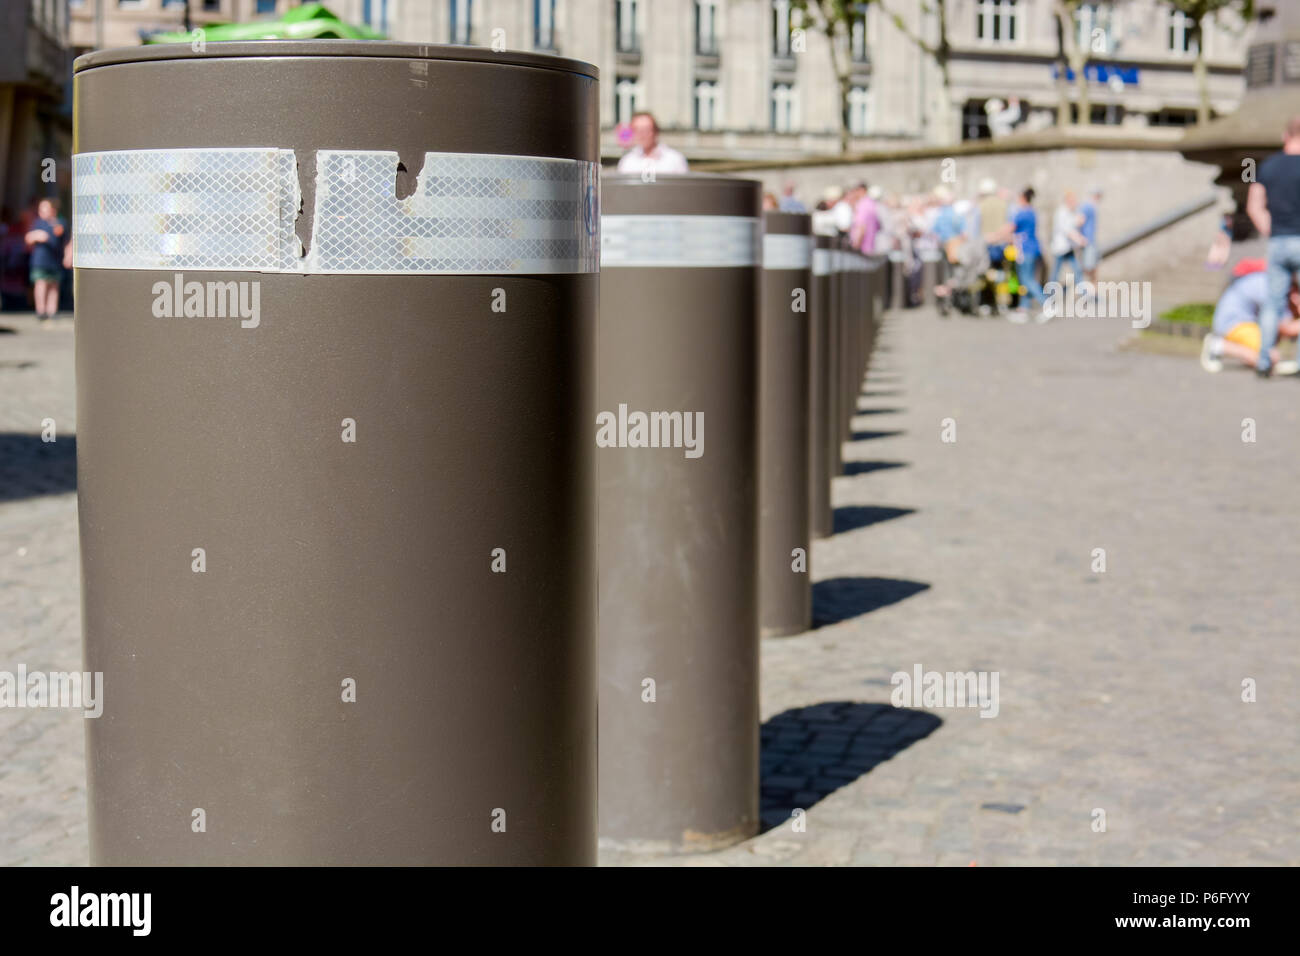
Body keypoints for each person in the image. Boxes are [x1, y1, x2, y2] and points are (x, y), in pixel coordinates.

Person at [1247, 115, 1300, 377]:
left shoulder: (1267, 167)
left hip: (1278, 241)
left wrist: (1272, 229)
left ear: (1285, 136)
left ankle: (1264, 360)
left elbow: (1254, 207)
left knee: (1272, 303)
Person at [1201, 260, 1300, 374]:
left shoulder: (1270, 281)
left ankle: (1251, 355)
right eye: (1296, 291)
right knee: (1268, 358)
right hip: (1233, 322)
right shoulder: (1269, 286)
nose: (1296, 296)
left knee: (1269, 342)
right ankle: (1218, 345)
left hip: (1240, 321)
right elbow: (1284, 327)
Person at [991, 186, 1046, 322]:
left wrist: (994, 236)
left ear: (1022, 198)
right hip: (1031, 249)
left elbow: (1009, 228)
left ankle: (1047, 304)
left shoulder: (1023, 213)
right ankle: (1023, 309)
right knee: (1024, 280)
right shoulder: (1031, 212)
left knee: (1027, 280)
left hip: (1025, 250)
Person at [25, 197, 66, 325]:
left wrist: (68, 256)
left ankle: (52, 310)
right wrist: (37, 235)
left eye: (44, 208)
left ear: (53, 209)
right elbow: (28, 238)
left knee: (54, 285)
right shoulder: (38, 223)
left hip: (55, 259)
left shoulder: (61, 223)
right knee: (41, 283)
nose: (41, 211)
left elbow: (66, 241)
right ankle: (41, 310)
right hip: (40, 260)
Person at [616, 112, 689, 175]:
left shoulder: (675, 159)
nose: (642, 135)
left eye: (646, 129)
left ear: (655, 131)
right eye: (637, 130)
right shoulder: (627, 161)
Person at [1049, 190, 1087, 284]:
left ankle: (1084, 293)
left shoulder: (1070, 212)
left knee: (1077, 271)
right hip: (1061, 248)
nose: (1075, 203)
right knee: (1055, 274)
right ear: (1068, 201)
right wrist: (1080, 239)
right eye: (1073, 201)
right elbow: (1067, 231)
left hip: (1068, 248)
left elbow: (1073, 225)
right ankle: (1048, 295)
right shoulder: (1062, 212)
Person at [849, 182, 880, 256]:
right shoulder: (872, 203)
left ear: (861, 190)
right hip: (871, 245)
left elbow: (861, 226)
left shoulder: (862, 205)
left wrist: (857, 243)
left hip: (863, 247)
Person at [1078, 187, 1102, 283]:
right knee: (1088, 268)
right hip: (1087, 242)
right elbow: (1079, 221)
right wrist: (1080, 238)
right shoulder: (1087, 206)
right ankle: (1088, 293)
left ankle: (1093, 293)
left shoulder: (1092, 207)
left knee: (1094, 268)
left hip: (1091, 241)